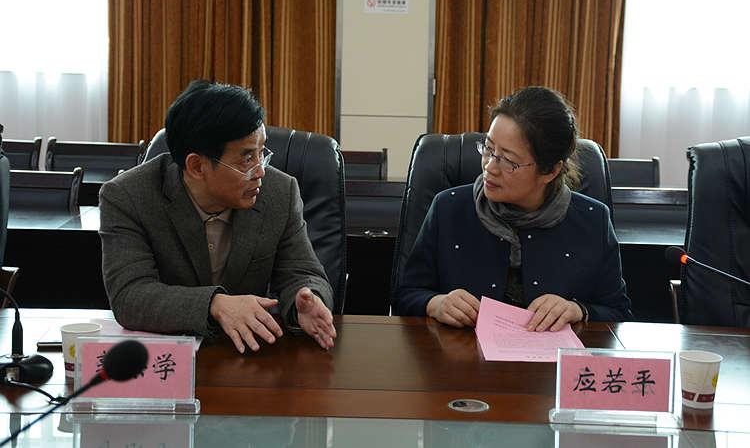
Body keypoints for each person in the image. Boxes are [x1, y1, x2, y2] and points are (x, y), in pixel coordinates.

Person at [100, 80, 336, 352]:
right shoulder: (128, 196)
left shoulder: (279, 191)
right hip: (168, 356)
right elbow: (130, 296)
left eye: (262, 153)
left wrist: (307, 298)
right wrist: (214, 304)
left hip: (250, 354)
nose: (260, 171)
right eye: (247, 159)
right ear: (197, 166)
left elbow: (302, 272)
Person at [394, 86, 631, 331]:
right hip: (461, 354)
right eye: (488, 149)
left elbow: (618, 312)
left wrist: (578, 310)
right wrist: (435, 304)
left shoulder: (593, 220)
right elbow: (404, 297)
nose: (490, 167)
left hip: (550, 356)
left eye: (508, 161)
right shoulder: (448, 208)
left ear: (550, 171)